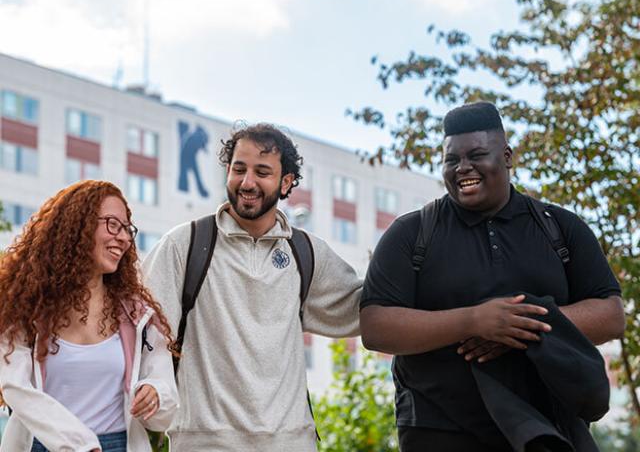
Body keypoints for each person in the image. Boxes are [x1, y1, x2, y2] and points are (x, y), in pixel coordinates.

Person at [360, 102, 625, 451]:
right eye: (451, 159)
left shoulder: (560, 227)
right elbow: (376, 326)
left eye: (477, 155)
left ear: (507, 156)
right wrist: (473, 321)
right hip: (438, 429)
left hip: (550, 426)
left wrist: (520, 325)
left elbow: (611, 315)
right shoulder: (411, 232)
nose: (463, 168)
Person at [143, 123, 362, 451]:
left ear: (286, 182)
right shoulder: (184, 245)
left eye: (262, 172)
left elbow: (369, 307)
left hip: (292, 443)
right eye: (238, 169)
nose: (247, 182)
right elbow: (143, 335)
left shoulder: (307, 253)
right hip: (205, 443)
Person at [0, 180, 178, 452]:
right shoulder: (27, 308)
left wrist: (155, 393)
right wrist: (78, 443)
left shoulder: (138, 315)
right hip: (44, 446)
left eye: (127, 229)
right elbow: (15, 387)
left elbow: (165, 393)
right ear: (77, 228)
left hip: (118, 445)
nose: (124, 238)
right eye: (112, 224)